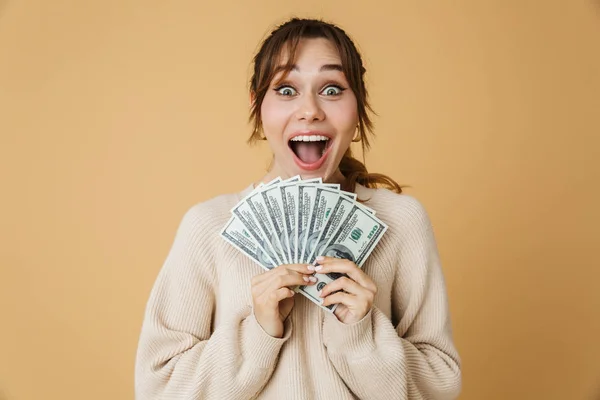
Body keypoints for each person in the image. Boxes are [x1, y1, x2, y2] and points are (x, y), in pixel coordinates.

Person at [135, 17, 462, 400]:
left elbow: (441, 386)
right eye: (287, 89)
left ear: (358, 110)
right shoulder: (208, 227)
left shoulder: (401, 222)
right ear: (258, 108)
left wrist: (359, 333)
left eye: (332, 89)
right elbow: (159, 388)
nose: (310, 110)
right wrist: (258, 331)